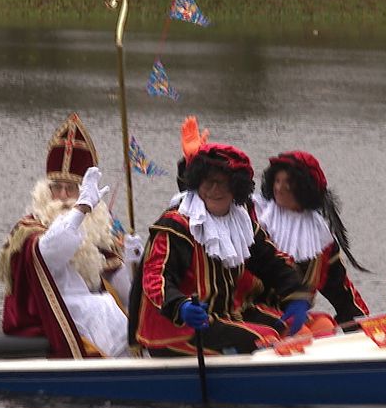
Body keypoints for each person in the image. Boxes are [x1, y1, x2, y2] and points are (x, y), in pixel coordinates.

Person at [133, 142, 313, 357]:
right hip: (179, 328)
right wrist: (180, 306)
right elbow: (155, 277)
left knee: (292, 329)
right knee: (265, 340)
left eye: (223, 184)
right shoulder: (178, 225)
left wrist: (297, 296)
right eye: (207, 183)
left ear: (236, 187)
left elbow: (272, 262)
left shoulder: (242, 223)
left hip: (225, 315)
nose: (214, 190)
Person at [0, 113, 144, 358]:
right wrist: (81, 208)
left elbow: (128, 297)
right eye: (57, 187)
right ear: (46, 191)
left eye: (72, 188)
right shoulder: (31, 229)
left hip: (89, 317)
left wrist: (133, 264)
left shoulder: (97, 231)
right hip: (50, 316)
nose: (64, 195)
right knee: (102, 310)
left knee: (115, 311)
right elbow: (51, 253)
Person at [255, 151, 370, 328]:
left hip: (295, 314)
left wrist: (364, 326)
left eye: (288, 183)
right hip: (253, 311)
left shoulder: (320, 236)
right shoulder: (257, 218)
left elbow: (339, 289)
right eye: (277, 181)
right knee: (302, 333)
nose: (280, 188)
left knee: (324, 326)